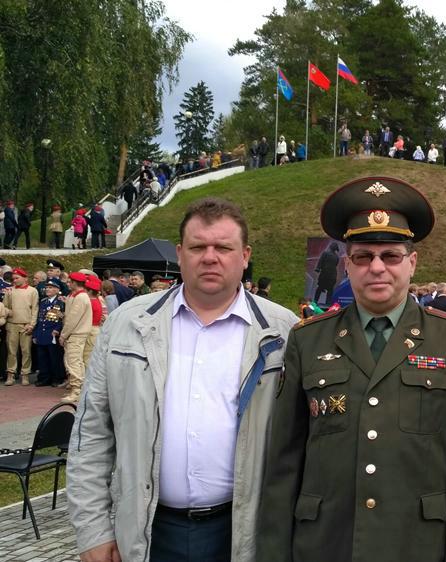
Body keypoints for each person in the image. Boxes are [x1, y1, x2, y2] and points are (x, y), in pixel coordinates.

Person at [256, 177, 446, 561]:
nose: (377, 267)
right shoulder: (307, 339)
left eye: (391, 256)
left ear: (412, 263)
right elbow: (284, 463)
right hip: (326, 544)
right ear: (347, 265)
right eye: (363, 257)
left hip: (417, 545)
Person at [66, 197, 298, 562]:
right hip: (150, 530)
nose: (210, 257)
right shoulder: (126, 324)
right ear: (179, 254)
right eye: (197, 247)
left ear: (245, 256)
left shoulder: (284, 331)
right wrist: (92, 530)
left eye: (223, 247)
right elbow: (91, 433)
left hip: (243, 532)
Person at [60, 272, 92, 402]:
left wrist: (63, 335)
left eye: (70, 282)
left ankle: (76, 390)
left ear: (75, 283)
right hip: (76, 333)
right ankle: (79, 389)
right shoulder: (77, 296)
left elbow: (72, 319)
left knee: (73, 362)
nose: (68, 284)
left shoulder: (80, 297)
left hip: (76, 333)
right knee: (77, 361)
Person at [3, 268, 39, 385]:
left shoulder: (33, 291)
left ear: (25, 278)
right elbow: (4, 307)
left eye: (17, 278)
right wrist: (8, 311)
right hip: (12, 324)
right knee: (11, 351)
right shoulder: (10, 291)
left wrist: (32, 324)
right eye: (13, 279)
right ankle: (11, 374)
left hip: (26, 325)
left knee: (26, 351)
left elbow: (35, 309)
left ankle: (25, 374)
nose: (14, 280)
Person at [33, 280, 66, 387]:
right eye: (47, 287)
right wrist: (35, 334)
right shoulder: (43, 301)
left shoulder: (60, 302)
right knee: (42, 358)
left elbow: (62, 319)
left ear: (57, 290)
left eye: (51, 287)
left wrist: (57, 329)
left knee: (54, 358)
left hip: (52, 334)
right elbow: (39, 319)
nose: (47, 289)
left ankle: (56, 378)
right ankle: (44, 378)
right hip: (42, 333)